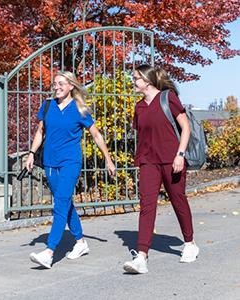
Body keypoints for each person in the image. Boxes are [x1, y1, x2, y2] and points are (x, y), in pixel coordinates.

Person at [26, 71, 116, 269]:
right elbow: (40, 131)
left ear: (71, 86)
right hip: (50, 162)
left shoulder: (80, 109)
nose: (56, 87)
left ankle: (49, 253)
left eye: (61, 84)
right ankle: (81, 243)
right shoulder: (47, 105)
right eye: (54, 84)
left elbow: (97, 135)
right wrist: (32, 153)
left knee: (60, 203)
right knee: (65, 203)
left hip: (70, 162)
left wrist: (108, 160)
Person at [123, 64, 199, 274]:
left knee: (178, 200)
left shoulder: (168, 98)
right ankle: (141, 256)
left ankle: (190, 244)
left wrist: (180, 154)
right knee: (147, 205)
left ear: (147, 80)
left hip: (172, 159)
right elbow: (143, 133)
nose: (133, 81)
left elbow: (186, 127)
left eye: (136, 77)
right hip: (148, 161)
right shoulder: (139, 107)